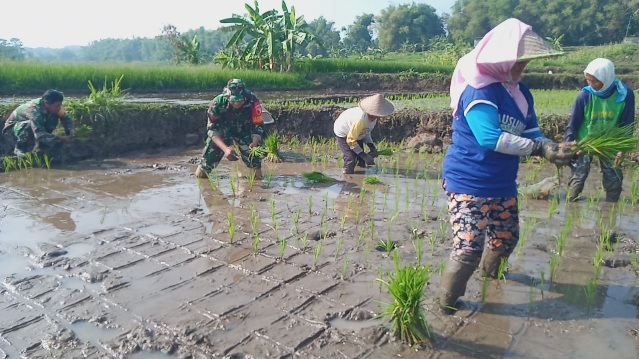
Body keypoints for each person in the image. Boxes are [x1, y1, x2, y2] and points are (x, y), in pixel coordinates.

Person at [439, 18, 575, 314]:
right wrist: (539, 149)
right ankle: (446, 307)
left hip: (502, 182)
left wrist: (553, 146)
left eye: (524, 61)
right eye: (517, 60)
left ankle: (490, 280)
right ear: (500, 58)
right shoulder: (480, 89)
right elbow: (489, 138)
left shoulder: (521, 92)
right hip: (468, 180)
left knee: (506, 237)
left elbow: (531, 133)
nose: (522, 66)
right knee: (468, 248)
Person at [565, 58, 636, 202]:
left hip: (609, 141)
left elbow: (627, 124)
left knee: (613, 176)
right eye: (588, 80)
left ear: (607, 78)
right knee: (579, 174)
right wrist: (569, 145)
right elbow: (573, 123)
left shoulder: (625, 95)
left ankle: (611, 206)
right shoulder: (584, 95)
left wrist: (622, 149)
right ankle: (570, 202)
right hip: (584, 141)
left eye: (595, 81)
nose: (591, 85)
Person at [195, 79, 265, 179]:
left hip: (245, 131)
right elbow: (212, 130)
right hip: (222, 132)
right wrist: (226, 149)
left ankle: (254, 180)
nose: (237, 104)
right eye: (234, 101)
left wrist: (255, 141)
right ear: (227, 96)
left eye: (240, 100)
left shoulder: (252, 100)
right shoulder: (217, 103)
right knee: (201, 173)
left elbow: (258, 124)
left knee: (256, 166)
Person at [2, 89, 75, 158]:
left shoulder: (54, 108)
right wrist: (60, 139)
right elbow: (39, 134)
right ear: (47, 104)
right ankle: (20, 149)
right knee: (29, 125)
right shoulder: (34, 111)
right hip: (12, 132)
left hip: (33, 131)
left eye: (60, 105)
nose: (59, 108)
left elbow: (66, 119)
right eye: (57, 106)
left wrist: (71, 132)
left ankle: (42, 146)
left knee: (53, 117)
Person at [333, 93, 395, 174]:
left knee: (361, 160)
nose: (377, 116)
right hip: (344, 132)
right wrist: (364, 155)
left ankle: (360, 175)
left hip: (356, 133)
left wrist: (371, 146)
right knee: (351, 159)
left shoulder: (373, 119)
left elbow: (366, 131)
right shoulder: (360, 120)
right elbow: (351, 140)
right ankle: (347, 176)